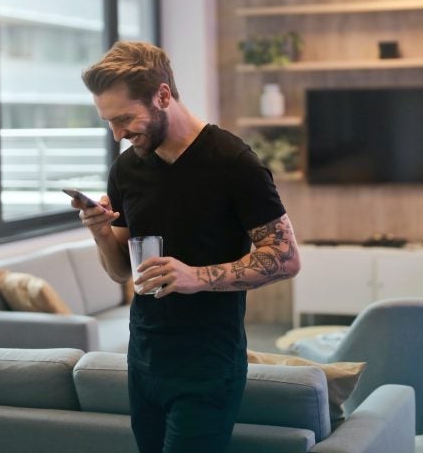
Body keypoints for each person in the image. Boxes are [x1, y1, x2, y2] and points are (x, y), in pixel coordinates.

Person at [72, 40, 301, 453]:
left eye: (124, 119)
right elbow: (122, 272)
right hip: (143, 357)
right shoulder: (125, 169)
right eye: (109, 123)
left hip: (209, 362)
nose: (118, 134)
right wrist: (101, 232)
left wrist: (197, 276)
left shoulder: (233, 162)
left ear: (162, 95)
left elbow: (286, 257)